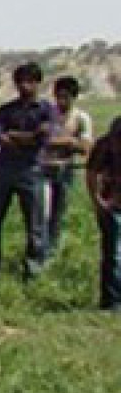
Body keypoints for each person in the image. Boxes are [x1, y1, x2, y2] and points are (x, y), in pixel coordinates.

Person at [0, 62, 57, 277]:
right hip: (3, 169)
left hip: (31, 170)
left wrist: (12, 135)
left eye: (30, 81)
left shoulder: (45, 111)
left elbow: (42, 138)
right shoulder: (6, 110)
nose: (25, 86)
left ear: (38, 83)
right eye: (21, 81)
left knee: (35, 224)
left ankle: (33, 269)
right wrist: (25, 137)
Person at [40, 76, 93, 255]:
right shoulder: (47, 114)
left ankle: (52, 250)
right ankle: (41, 249)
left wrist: (67, 142)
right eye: (59, 97)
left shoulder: (80, 118)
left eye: (66, 97)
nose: (62, 101)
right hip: (44, 168)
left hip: (65, 169)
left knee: (58, 212)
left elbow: (85, 147)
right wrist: (69, 142)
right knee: (43, 211)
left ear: (73, 97)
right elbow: (42, 140)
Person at [86, 116, 121, 311]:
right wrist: (97, 199)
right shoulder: (108, 142)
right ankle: (112, 302)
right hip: (113, 204)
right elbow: (92, 171)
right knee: (114, 255)